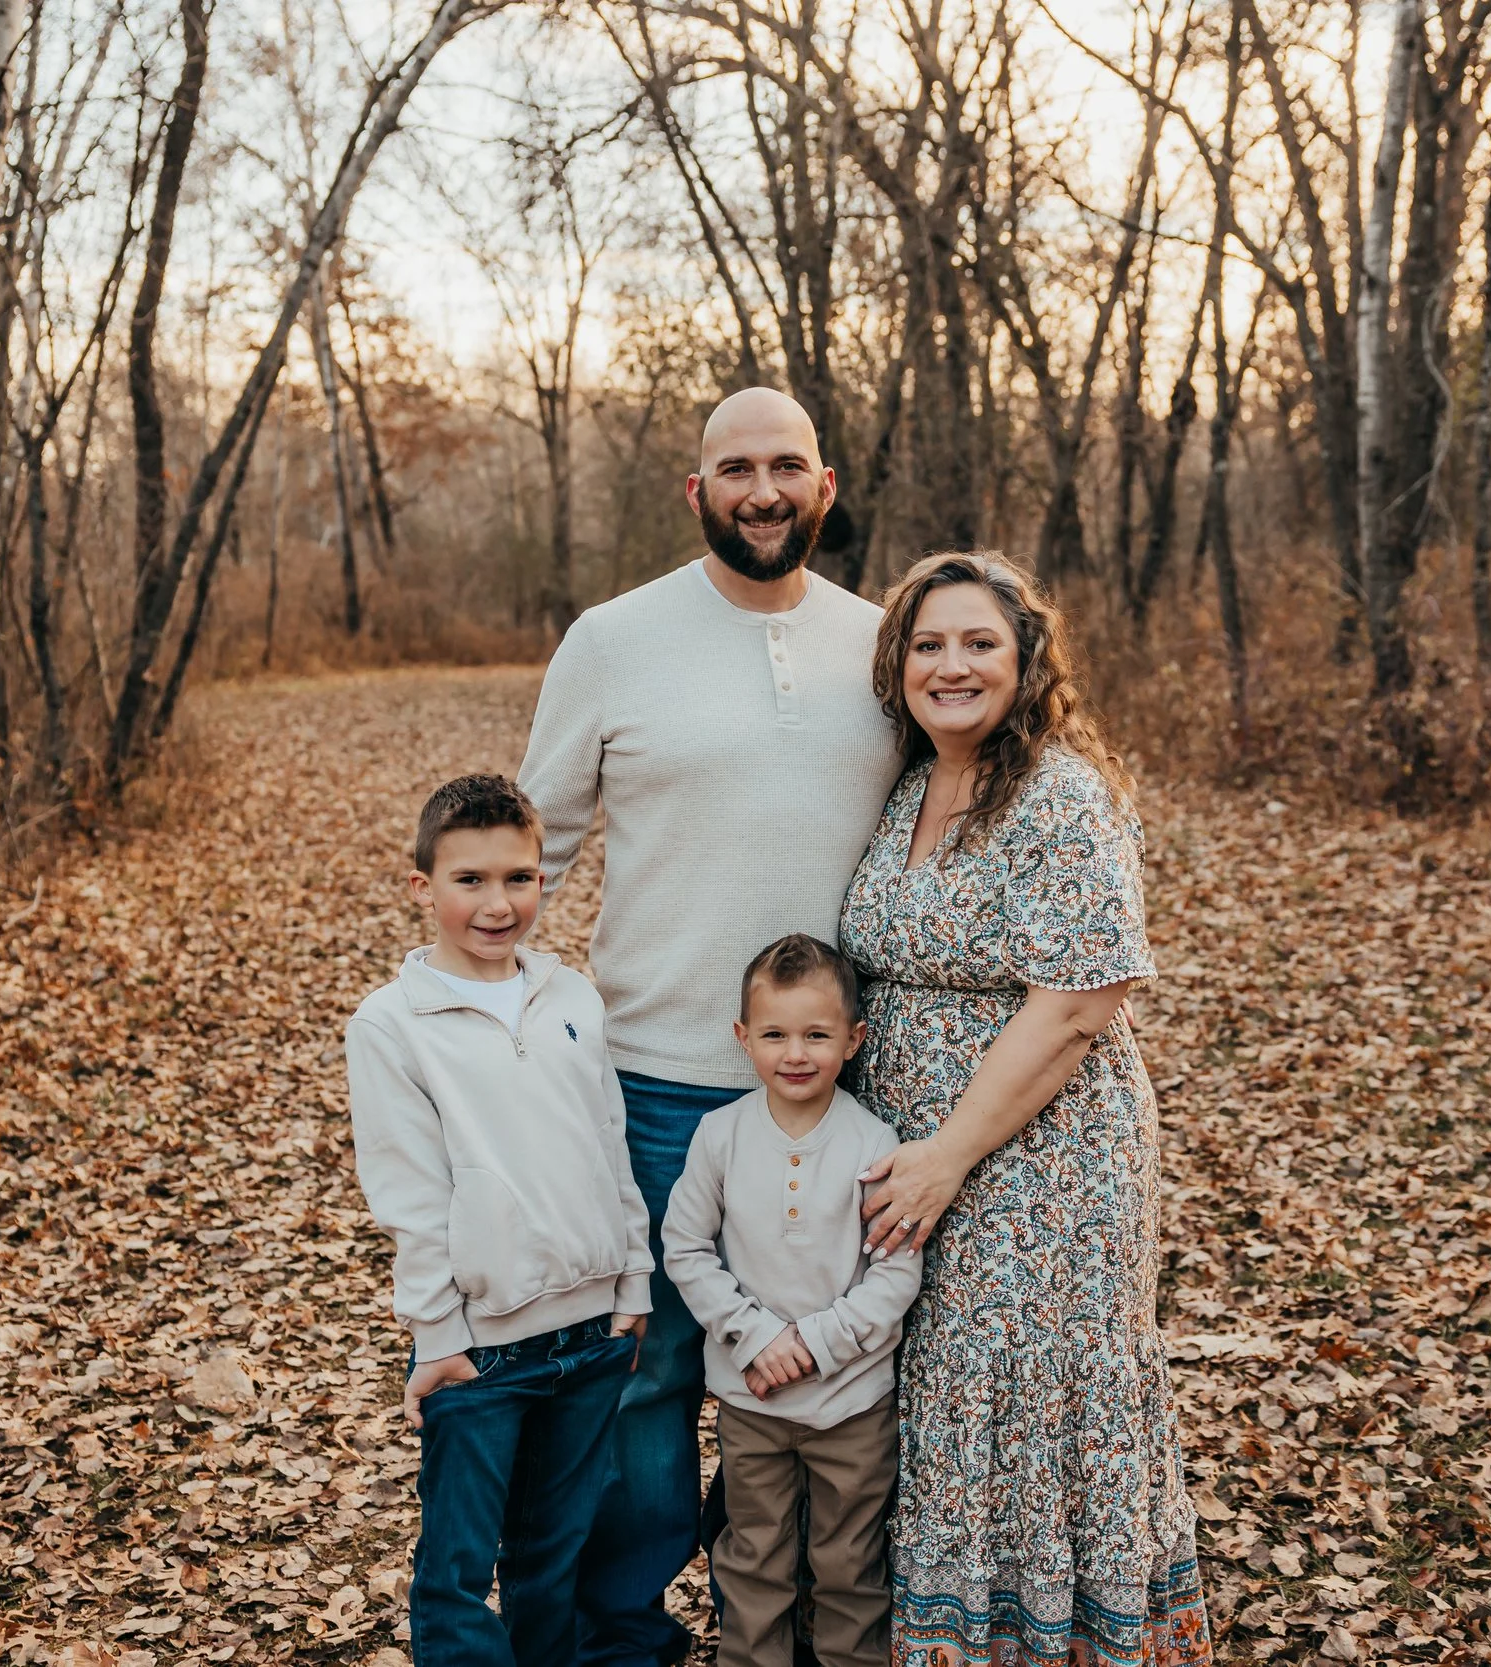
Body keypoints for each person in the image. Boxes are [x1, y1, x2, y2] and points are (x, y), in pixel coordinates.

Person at [520, 389, 904, 1665]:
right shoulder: (613, 640)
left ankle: (787, 1627)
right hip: (657, 1084)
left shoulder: (881, 643)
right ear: (695, 492)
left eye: (784, 465)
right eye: (733, 467)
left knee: (829, 1381)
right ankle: (625, 1635)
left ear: (825, 484)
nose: (761, 488)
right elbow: (540, 850)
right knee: (645, 1387)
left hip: (846, 1091)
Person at [839, 554, 1215, 1667]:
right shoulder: (909, 784)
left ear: (1025, 660)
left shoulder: (1058, 791)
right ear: (896, 664)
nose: (950, 664)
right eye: (926, 644)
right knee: (946, 1393)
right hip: (916, 1151)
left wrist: (948, 1154)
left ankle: (1057, 1645)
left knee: (1020, 1392)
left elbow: (1080, 1000)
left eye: (977, 643)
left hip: (1041, 1157)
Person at [345, 774, 655, 1667]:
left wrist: (631, 1284)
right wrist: (437, 1332)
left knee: (550, 1562)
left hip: (593, 1336)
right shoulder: (393, 1026)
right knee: (455, 1575)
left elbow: (611, 1146)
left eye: (519, 878)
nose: (497, 902)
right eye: (470, 880)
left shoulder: (572, 999)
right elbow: (409, 1196)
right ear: (423, 888)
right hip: (480, 1349)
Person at [663, 934, 923, 1667]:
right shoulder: (720, 1138)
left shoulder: (876, 1144)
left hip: (852, 1403)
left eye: (817, 1033)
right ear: (744, 1038)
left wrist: (814, 1343)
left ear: (854, 1038)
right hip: (753, 1401)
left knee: (848, 1563)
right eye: (774, 1034)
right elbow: (685, 1247)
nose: (796, 1052)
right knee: (754, 1555)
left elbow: (894, 1274)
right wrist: (754, 1336)